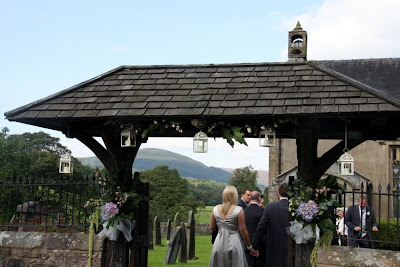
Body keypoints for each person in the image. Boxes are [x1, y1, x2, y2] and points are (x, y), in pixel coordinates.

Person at [209, 186, 256, 267]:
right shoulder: (239, 210)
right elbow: (243, 230)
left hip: (219, 242)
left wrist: (222, 228)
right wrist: (249, 246)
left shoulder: (215, 209)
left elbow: (212, 227)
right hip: (234, 242)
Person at [252, 183, 289, 267]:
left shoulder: (270, 207)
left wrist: (255, 246)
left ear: (278, 193)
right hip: (291, 246)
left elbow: (260, 227)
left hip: (273, 246)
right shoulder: (296, 207)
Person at [244, 191, 266, 267]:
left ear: (250, 198)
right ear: (259, 198)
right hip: (261, 246)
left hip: (247, 245)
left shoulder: (243, 212)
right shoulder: (263, 211)